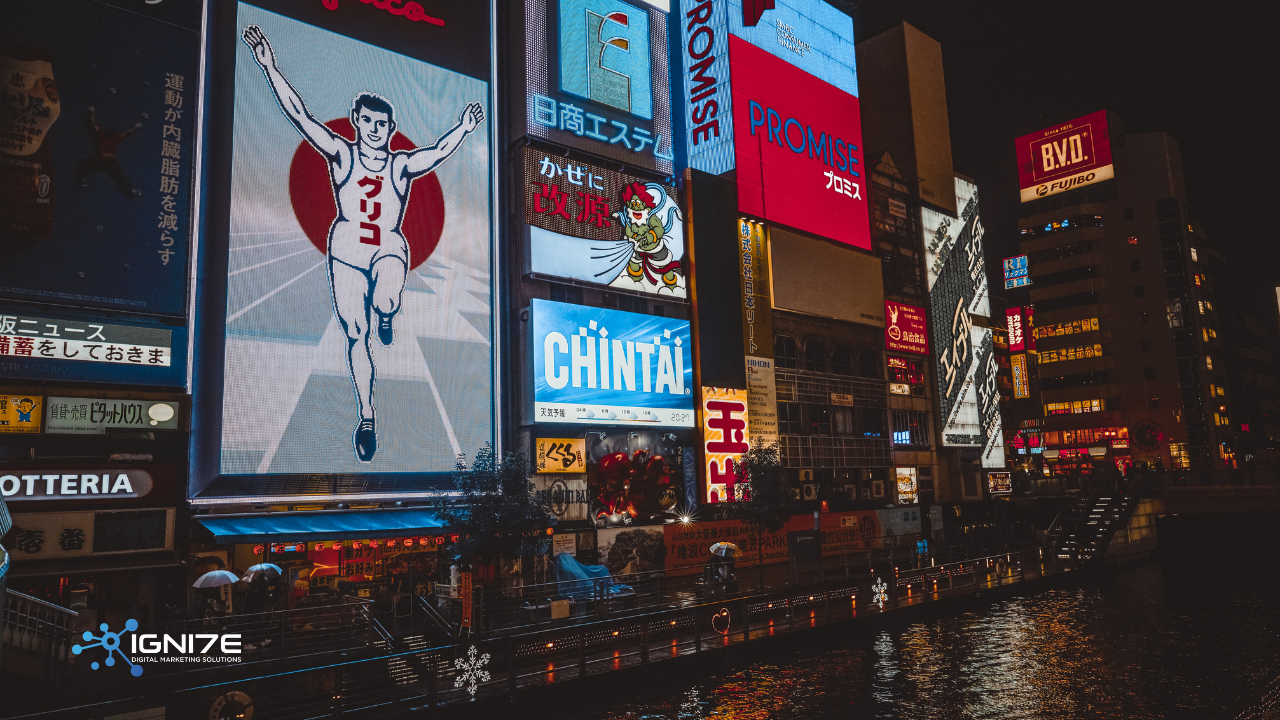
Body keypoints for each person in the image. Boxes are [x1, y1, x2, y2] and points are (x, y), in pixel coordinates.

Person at [242, 24, 485, 462]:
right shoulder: (341, 153)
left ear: (392, 128)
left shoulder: (400, 164)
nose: (375, 129)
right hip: (346, 251)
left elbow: (437, 152)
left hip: (388, 246)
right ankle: (367, 415)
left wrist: (464, 128)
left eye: (382, 123)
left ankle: (388, 311)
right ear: (358, 122)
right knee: (356, 333)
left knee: (387, 296)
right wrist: (269, 67)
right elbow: (300, 116)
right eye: (368, 121)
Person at [75, 107, 144, 198]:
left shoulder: (102, 133)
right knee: (120, 176)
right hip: (111, 162)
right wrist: (136, 127)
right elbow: (127, 133)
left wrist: (91, 113)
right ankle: (132, 190)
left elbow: (92, 124)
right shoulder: (116, 138)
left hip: (100, 161)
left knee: (83, 163)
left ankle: (82, 180)